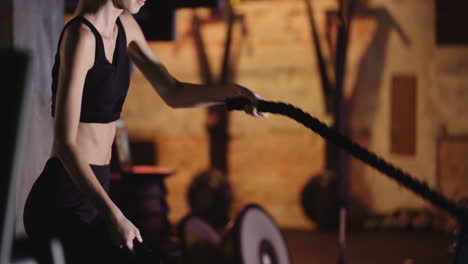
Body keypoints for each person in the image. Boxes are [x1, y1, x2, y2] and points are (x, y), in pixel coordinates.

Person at [23, 0, 266, 263]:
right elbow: (65, 144)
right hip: (62, 200)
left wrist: (234, 94)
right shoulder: (80, 36)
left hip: (97, 190)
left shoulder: (126, 25)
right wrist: (115, 216)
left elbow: (173, 92)